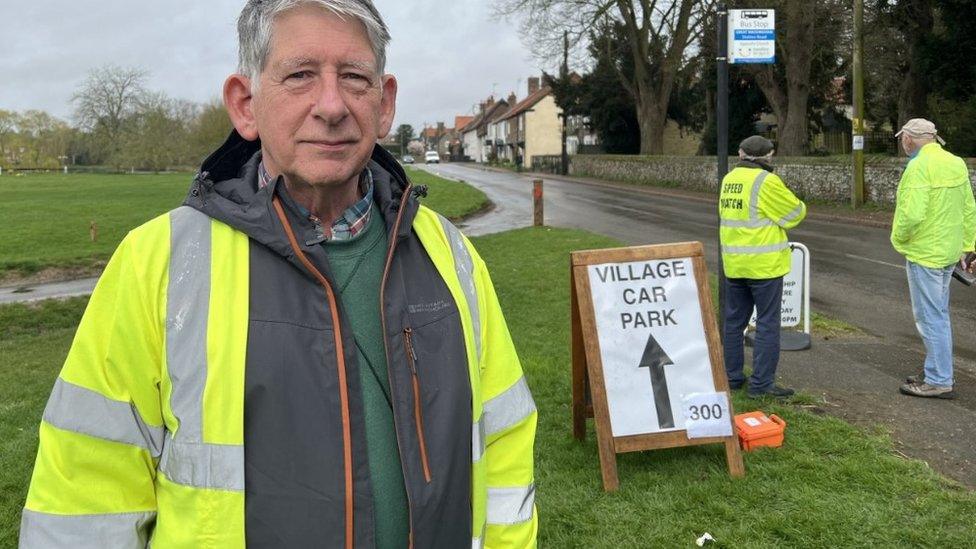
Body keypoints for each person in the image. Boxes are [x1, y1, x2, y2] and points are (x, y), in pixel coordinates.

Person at [19, 1, 538, 547]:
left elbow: (504, 451)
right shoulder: (159, 263)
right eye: (300, 76)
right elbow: (85, 501)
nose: (332, 105)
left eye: (354, 78)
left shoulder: (451, 255)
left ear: (384, 105)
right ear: (246, 105)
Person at [893, 118, 976, 399]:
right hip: (948, 252)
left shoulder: (918, 167)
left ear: (908, 139)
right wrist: (969, 245)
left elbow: (912, 215)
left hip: (925, 252)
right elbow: (968, 207)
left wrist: (899, 238)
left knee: (930, 318)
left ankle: (939, 379)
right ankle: (935, 371)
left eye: (902, 138)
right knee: (938, 314)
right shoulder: (955, 162)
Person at [719, 135, 807, 399]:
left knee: (734, 323)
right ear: (768, 157)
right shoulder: (767, 181)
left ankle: (731, 377)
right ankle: (761, 385)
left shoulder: (729, 179)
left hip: (734, 264)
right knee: (767, 324)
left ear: (740, 153)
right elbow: (795, 215)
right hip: (764, 267)